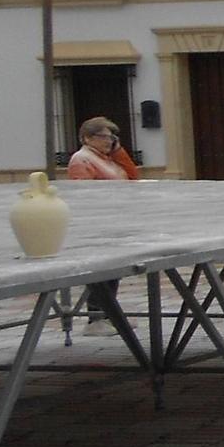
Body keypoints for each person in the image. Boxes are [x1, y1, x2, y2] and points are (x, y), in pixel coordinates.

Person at [65, 116, 141, 333]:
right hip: (97, 225)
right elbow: (85, 194)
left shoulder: (108, 159)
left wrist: (119, 152)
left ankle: (109, 315)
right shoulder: (82, 160)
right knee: (100, 272)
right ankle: (96, 316)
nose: (109, 141)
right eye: (104, 136)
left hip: (115, 222)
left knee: (113, 271)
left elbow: (132, 177)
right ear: (87, 138)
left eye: (112, 137)